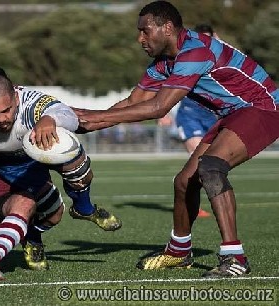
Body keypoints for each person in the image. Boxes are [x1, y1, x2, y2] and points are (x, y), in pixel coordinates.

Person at [75, 0, 279, 278]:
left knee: (211, 167)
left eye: (145, 31)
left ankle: (235, 258)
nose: (140, 38)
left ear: (167, 27)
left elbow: (159, 107)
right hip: (233, 114)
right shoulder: (163, 63)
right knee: (184, 182)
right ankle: (179, 252)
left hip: (262, 108)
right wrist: (82, 123)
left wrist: (92, 116)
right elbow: (133, 102)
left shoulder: (195, 51)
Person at [0, 67, 122, 270]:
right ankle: (32, 238)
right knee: (50, 214)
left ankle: (83, 208)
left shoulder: (32, 104)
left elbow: (66, 114)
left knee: (74, 164)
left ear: (15, 95)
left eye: (7, 110)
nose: (2, 118)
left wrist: (50, 119)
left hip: (31, 161)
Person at [161, 24, 221, 219]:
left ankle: (187, 187)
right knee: (199, 160)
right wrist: (165, 112)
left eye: (209, 39)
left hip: (211, 116)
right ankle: (189, 197)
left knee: (212, 163)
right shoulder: (187, 57)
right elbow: (170, 85)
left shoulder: (222, 58)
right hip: (189, 115)